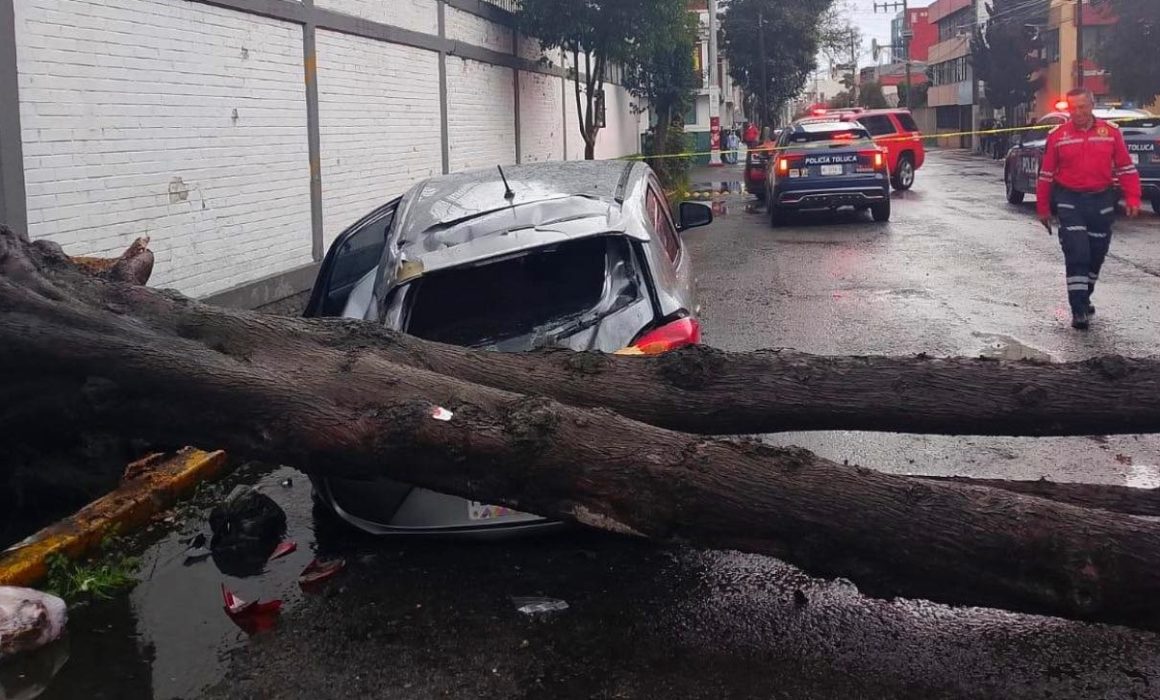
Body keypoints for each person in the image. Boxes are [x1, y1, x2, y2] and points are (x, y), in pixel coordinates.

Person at [1037, 87, 1142, 329]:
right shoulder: (1058, 136)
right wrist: (1043, 208)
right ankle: (1078, 309)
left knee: (1096, 254)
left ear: (1091, 105)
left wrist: (1133, 197)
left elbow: (1126, 168)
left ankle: (1084, 294)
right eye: (1073, 108)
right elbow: (1046, 175)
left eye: (1082, 107)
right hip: (1069, 199)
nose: (1078, 113)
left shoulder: (1111, 133)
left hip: (1101, 199)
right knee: (1077, 253)